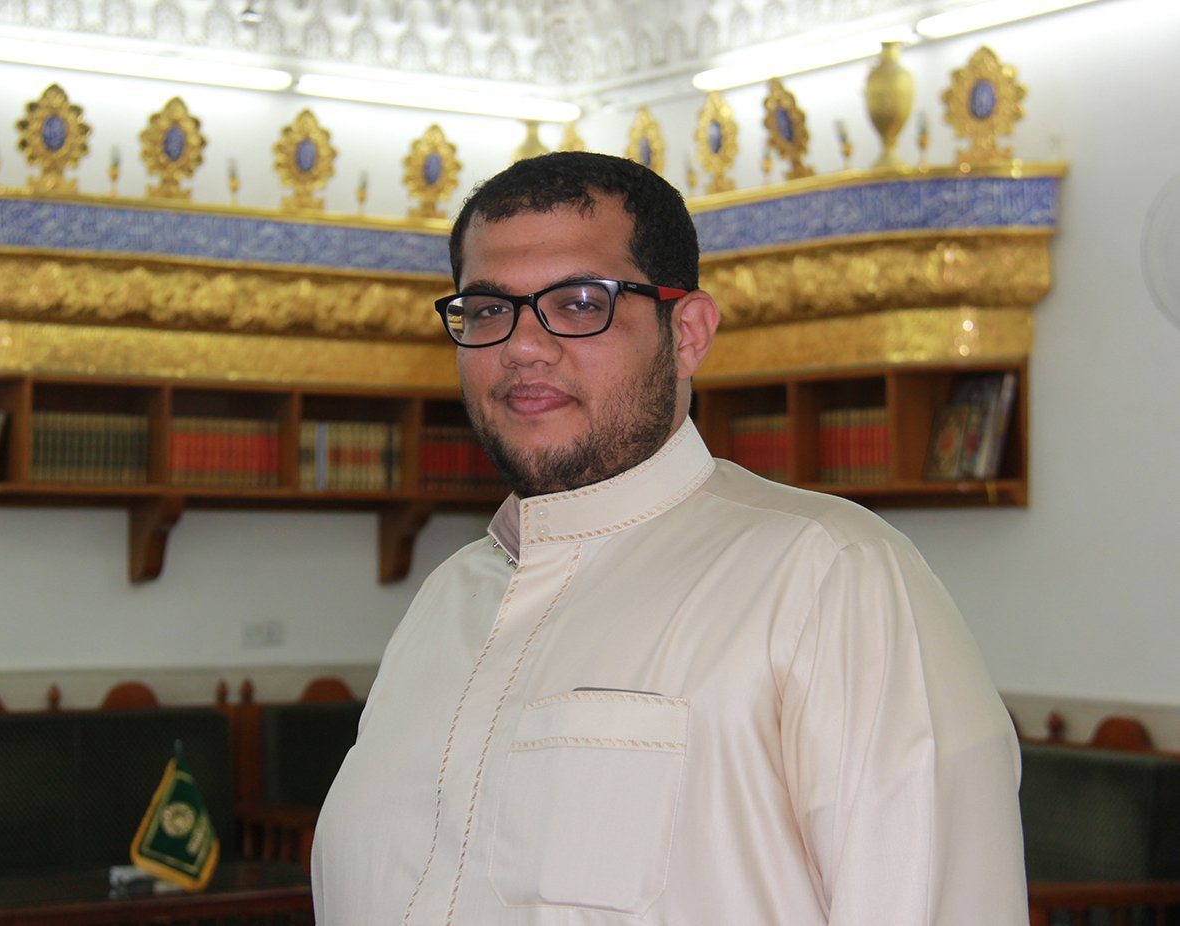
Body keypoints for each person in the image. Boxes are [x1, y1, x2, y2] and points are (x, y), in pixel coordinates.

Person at [312, 151, 1027, 924]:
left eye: (578, 302)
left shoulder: (828, 574)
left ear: (686, 333)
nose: (522, 347)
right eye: (487, 310)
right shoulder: (448, 598)